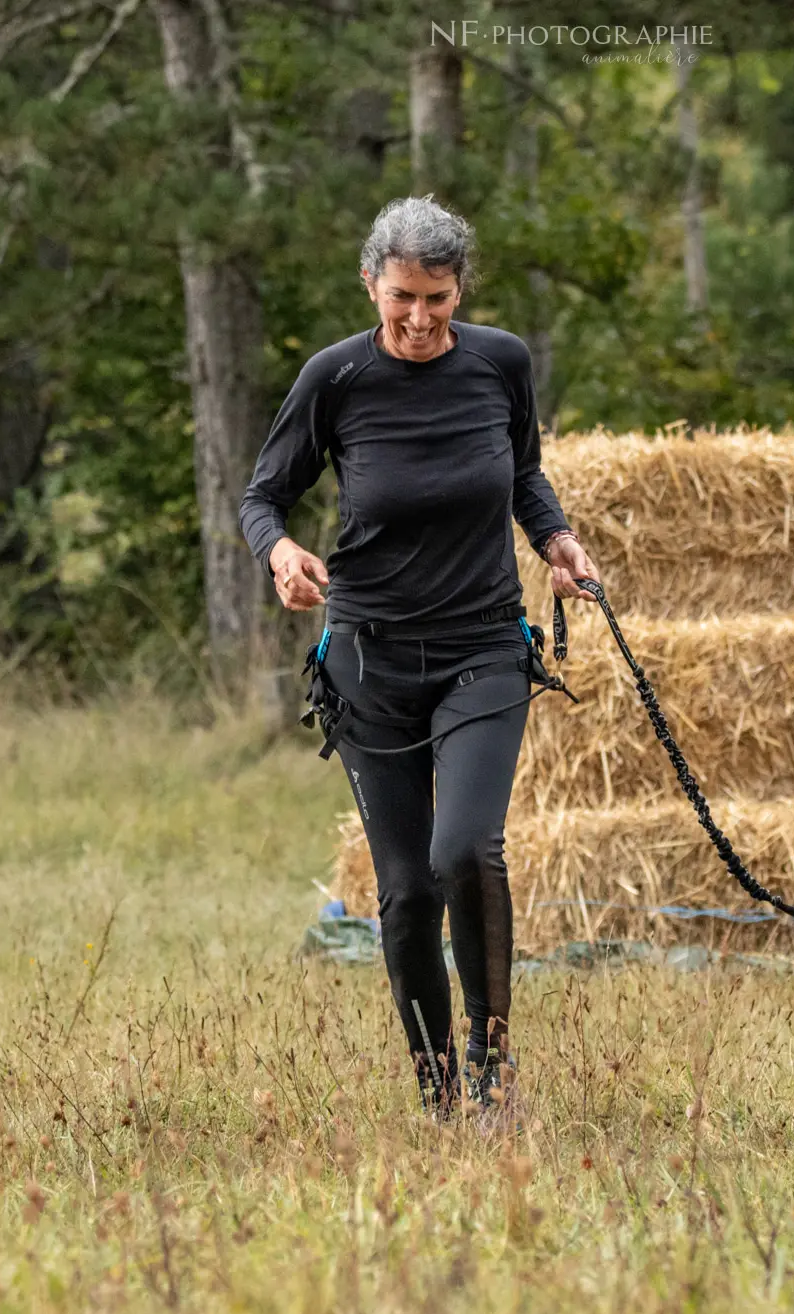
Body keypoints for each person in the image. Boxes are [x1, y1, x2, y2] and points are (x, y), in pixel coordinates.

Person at [240, 196, 600, 1119]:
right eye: (401, 296)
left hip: (483, 645)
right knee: (403, 893)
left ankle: (494, 1061)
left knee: (466, 850)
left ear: (458, 288)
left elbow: (521, 472)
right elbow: (262, 497)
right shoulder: (336, 379)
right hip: (369, 659)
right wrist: (282, 554)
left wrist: (554, 538)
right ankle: (440, 1091)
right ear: (370, 284)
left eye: (437, 298)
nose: (418, 318)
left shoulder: (499, 363)